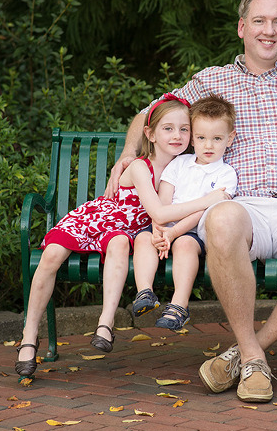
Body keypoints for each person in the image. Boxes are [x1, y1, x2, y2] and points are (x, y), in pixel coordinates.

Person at [105, 0, 277, 403]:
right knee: (220, 217)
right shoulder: (211, 81)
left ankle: (246, 353)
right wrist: (130, 152)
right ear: (242, 27)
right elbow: (149, 114)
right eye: (259, 21)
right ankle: (255, 356)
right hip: (244, 205)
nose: (268, 30)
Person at [15, 96, 230, 376]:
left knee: (119, 243)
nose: (177, 135)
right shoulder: (141, 166)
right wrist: (211, 199)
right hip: (99, 219)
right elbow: (160, 213)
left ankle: (105, 325)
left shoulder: (187, 167)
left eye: (184, 129)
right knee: (52, 254)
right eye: (167, 129)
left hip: (128, 232)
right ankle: (29, 335)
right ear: (150, 134)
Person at [132, 95, 238, 331]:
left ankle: (179, 306)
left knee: (185, 246)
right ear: (193, 139)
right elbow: (163, 201)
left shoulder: (226, 174)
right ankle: (144, 292)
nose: (208, 146)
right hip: (165, 224)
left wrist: (174, 233)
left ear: (230, 139)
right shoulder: (180, 163)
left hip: (193, 232)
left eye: (217, 139)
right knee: (143, 238)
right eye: (201, 138)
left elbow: (203, 211)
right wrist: (160, 231)